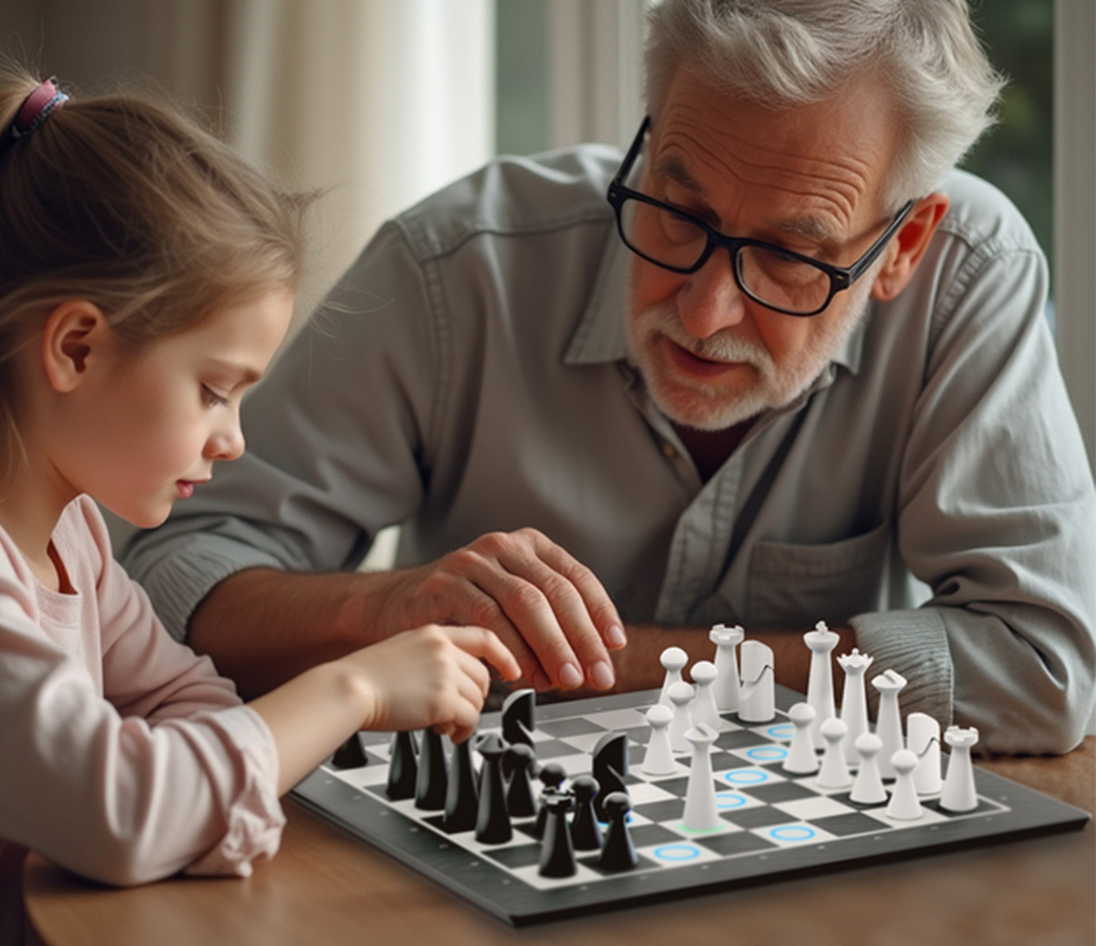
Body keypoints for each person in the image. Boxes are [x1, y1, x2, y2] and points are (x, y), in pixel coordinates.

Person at [125, 0, 1096, 755]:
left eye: (790, 256)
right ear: (652, 129)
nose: (706, 311)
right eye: (679, 211)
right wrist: (379, 610)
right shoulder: (456, 268)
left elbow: (1044, 671)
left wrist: (628, 661)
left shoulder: (971, 276)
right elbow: (166, 574)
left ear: (903, 248)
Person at [0, 74, 519, 946]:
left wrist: (183, 792)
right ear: (76, 348)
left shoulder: (72, 537)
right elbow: (123, 814)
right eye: (214, 391)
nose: (234, 440)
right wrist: (353, 688)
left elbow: (189, 699)